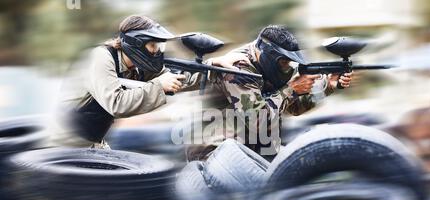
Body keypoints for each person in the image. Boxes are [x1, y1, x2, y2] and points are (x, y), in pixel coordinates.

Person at [47, 15, 245, 148]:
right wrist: (160, 86)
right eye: (153, 45)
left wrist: (213, 66)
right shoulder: (101, 58)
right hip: (64, 142)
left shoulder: (138, 66)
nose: (157, 51)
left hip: (92, 143)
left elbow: (181, 78)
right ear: (136, 44)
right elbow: (117, 103)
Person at [186, 25, 353, 160]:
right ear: (268, 56)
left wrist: (329, 85)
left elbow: (292, 108)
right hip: (214, 154)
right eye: (284, 62)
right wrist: (291, 90)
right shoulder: (237, 68)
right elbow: (257, 119)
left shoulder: (267, 66)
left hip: (251, 150)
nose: (288, 68)